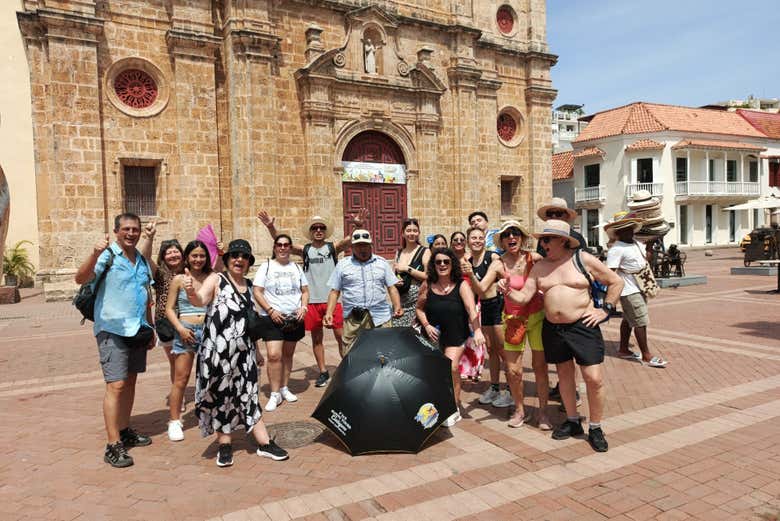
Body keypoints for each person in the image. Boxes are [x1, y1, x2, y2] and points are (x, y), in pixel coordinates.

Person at [506, 220, 623, 452]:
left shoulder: (582, 259)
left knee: (593, 378)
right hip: (554, 329)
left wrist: (605, 310)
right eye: (542, 240)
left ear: (562, 240)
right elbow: (524, 297)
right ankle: (572, 421)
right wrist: (507, 291)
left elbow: (615, 281)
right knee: (564, 376)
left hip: (582, 326)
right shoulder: (540, 267)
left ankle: (596, 427)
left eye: (547, 239)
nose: (543, 244)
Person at [184, 239, 288, 466]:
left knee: (250, 394)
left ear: (249, 262)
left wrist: (258, 352)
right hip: (217, 355)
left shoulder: (250, 287)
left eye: (244, 257)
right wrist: (191, 292)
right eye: (234, 256)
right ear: (228, 259)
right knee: (221, 397)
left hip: (244, 355)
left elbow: (250, 324)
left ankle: (264, 443)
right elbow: (201, 299)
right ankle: (225, 445)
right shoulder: (217, 279)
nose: (239, 260)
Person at [74, 213, 155, 468]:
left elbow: (145, 294)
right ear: (116, 231)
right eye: (126, 229)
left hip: (137, 328)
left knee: (130, 382)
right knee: (116, 385)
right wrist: (94, 254)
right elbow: (80, 278)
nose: (131, 233)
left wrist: (150, 326)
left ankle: (124, 429)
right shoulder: (107, 256)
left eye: (135, 229)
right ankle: (113, 444)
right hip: (111, 328)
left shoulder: (140, 261)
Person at [257, 209, 367, 388]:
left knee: (342, 337)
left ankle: (348, 368)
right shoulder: (305, 250)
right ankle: (323, 371)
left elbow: (350, 239)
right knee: (317, 339)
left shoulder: (332, 247)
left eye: (321, 227)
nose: (318, 230)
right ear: (311, 231)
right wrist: (271, 227)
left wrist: (358, 225)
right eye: (315, 228)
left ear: (325, 230)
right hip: (313, 301)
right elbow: (282, 243)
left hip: (333, 300)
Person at [480, 221, 550, 428]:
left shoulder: (534, 258)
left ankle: (544, 412)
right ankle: (520, 410)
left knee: (540, 367)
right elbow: (482, 288)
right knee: (513, 370)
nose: (512, 237)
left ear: (522, 237)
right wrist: (494, 282)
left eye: (515, 234)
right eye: (507, 235)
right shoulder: (498, 263)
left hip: (537, 317)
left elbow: (551, 275)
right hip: (512, 319)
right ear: (501, 241)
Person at [416, 247, 485, 427]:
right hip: (433, 336)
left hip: (456, 334)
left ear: (452, 263)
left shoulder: (461, 284)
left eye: (446, 261)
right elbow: (419, 308)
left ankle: (453, 407)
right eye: (438, 262)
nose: (442, 265)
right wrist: (426, 325)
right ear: (433, 265)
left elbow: (471, 309)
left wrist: (477, 330)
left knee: (451, 367)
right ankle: (437, 403)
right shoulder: (428, 284)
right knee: (435, 372)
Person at [536, 197, 586, 405]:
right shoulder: (545, 239)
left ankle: (572, 393)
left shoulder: (576, 239)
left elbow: (585, 271)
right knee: (561, 360)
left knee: (577, 360)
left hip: (575, 312)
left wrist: (600, 306)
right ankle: (564, 389)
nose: (554, 217)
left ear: (566, 216)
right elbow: (542, 264)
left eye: (558, 213)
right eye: (550, 214)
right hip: (549, 308)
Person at [253, 234, 310, 411]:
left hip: (294, 318)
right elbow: (257, 291)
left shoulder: (296, 268)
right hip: (272, 317)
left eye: (286, 245)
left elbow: (305, 291)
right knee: (274, 355)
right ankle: (274, 393)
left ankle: (284, 388)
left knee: (287, 355)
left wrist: (304, 307)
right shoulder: (266, 266)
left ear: (290, 247)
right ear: (274, 247)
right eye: (279, 245)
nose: (283, 248)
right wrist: (270, 310)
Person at [324, 229, 403, 355]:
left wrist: (397, 306)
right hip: (354, 319)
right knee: (350, 353)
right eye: (358, 246)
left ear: (371, 245)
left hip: (380, 317)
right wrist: (329, 313)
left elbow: (391, 288)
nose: (363, 249)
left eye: (365, 245)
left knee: (384, 353)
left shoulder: (382, 263)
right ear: (352, 247)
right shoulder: (343, 265)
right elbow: (335, 292)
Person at [604, 216, 668, 368]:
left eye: (631, 228)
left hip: (640, 287)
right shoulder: (617, 249)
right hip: (628, 290)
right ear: (618, 232)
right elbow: (610, 273)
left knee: (628, 319)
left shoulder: (636, 244)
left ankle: (623, 349)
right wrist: (612, 296)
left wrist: (650, 246)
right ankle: (646, 355)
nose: (630, 231)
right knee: (640, 321)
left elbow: (646, 259)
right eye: (626, 229)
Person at [164, 240, 211, 441]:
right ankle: (175, 422)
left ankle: (208, 414)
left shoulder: (212, 278)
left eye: (202, 255)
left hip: (209, 331)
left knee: (210, 377)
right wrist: (181, 328)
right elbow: (169, 309)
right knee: (181, 379)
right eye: (194, 256)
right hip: (187, 331)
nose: (198, 259)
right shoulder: (179, 280)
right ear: (187, 257)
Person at [461, 227, 513, 408]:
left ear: (485, 240)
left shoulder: (492, 258)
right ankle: (495, 387)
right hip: (485, 308)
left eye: (480, 238)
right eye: (473, 238)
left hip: (498, 306)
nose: (477, 240)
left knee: (503, 351)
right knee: (490, 350)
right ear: (468, 241)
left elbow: (482, 288)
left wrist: (503, 281)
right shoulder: (467, 260)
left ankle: (512, 390)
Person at [391, 218, 430, 327]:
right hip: (400, 302)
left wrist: (407, 268)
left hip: (418, 303)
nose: (412, 233)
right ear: (403, 233)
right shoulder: (398, 252)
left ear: (418, 233)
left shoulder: (425, 251)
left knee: (417, 338)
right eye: (408, 231)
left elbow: (428, 275)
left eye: (415, 230)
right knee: (400, 337)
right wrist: (396, 280)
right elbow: (393, 275)